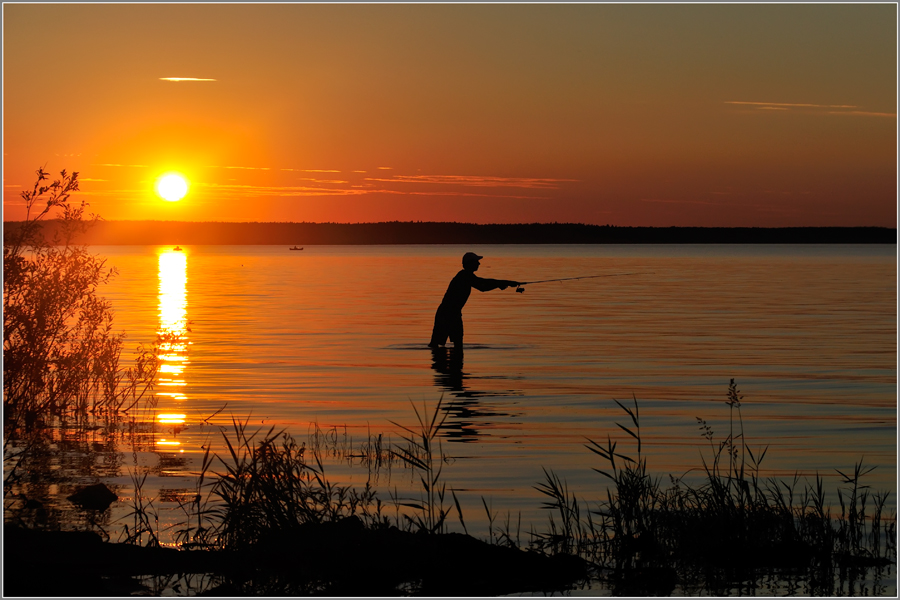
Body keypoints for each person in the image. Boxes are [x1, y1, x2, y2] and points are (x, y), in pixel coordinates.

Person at [428, 252, 519, 348]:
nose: (479, 264)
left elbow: (482, 285)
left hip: (452, 313)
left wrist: (500, 284)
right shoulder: (464, 276)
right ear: (470, 263)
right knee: (438, 345)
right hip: (447, 314)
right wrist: (503, 283)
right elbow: (482, 285)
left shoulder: (465, 275)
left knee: (456, 345)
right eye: (476, 262)